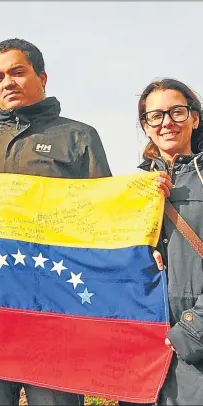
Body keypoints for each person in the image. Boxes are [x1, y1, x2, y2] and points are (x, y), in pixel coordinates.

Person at [0, 37, 114, 406]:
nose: (7, 82)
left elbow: (107, 221)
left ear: (42, 76)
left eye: (17, 71)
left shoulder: (79, 137)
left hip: (55, 317)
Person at [136, 78, 203, 405]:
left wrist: (190, 332)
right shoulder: (130, 188)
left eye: (176, 112)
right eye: (156, 115)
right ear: (145, 125)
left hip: (195, 352)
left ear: (194, 117)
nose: (166, 123)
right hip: (142, 359)